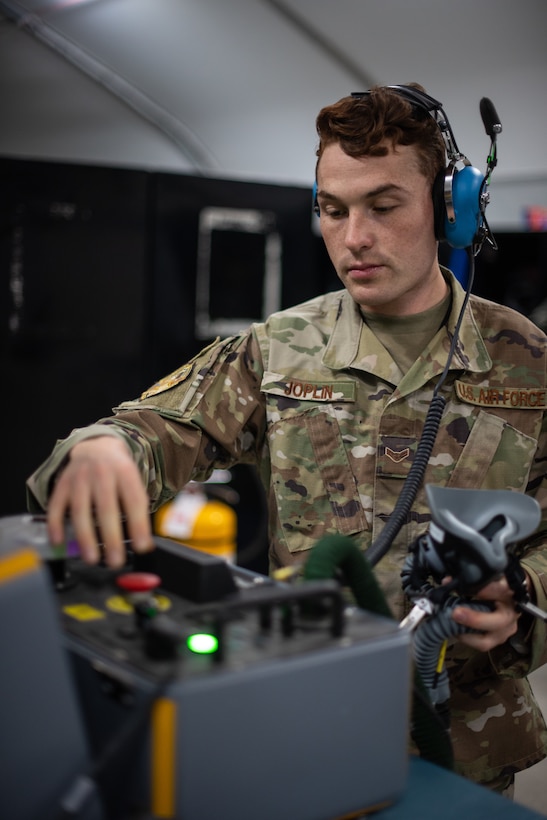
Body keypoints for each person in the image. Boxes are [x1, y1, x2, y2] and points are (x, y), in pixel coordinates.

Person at [27, 83, 547, 795]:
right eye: (332, 210)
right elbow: (162, 425)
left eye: (383, 206)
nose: (353, 238)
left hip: (465, 749)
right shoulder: (279, 350)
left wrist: (525, 588)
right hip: (301, 723)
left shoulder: (527, 362)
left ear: (448, 209)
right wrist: (104, 447)